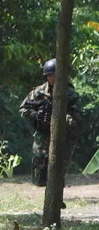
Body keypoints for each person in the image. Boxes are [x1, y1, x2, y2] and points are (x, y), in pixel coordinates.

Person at [19, 59, 82, 187]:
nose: (50, 78)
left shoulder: (71, 94)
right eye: (48, 76)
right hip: (42, 136)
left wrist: (60, 119)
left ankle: (56, 194)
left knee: (58, 172)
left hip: (63, 137)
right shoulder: (39, 92)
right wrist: (35, 115)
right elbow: (23, 109)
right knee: (39, 176)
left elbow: (76, 117)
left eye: (52, 75)